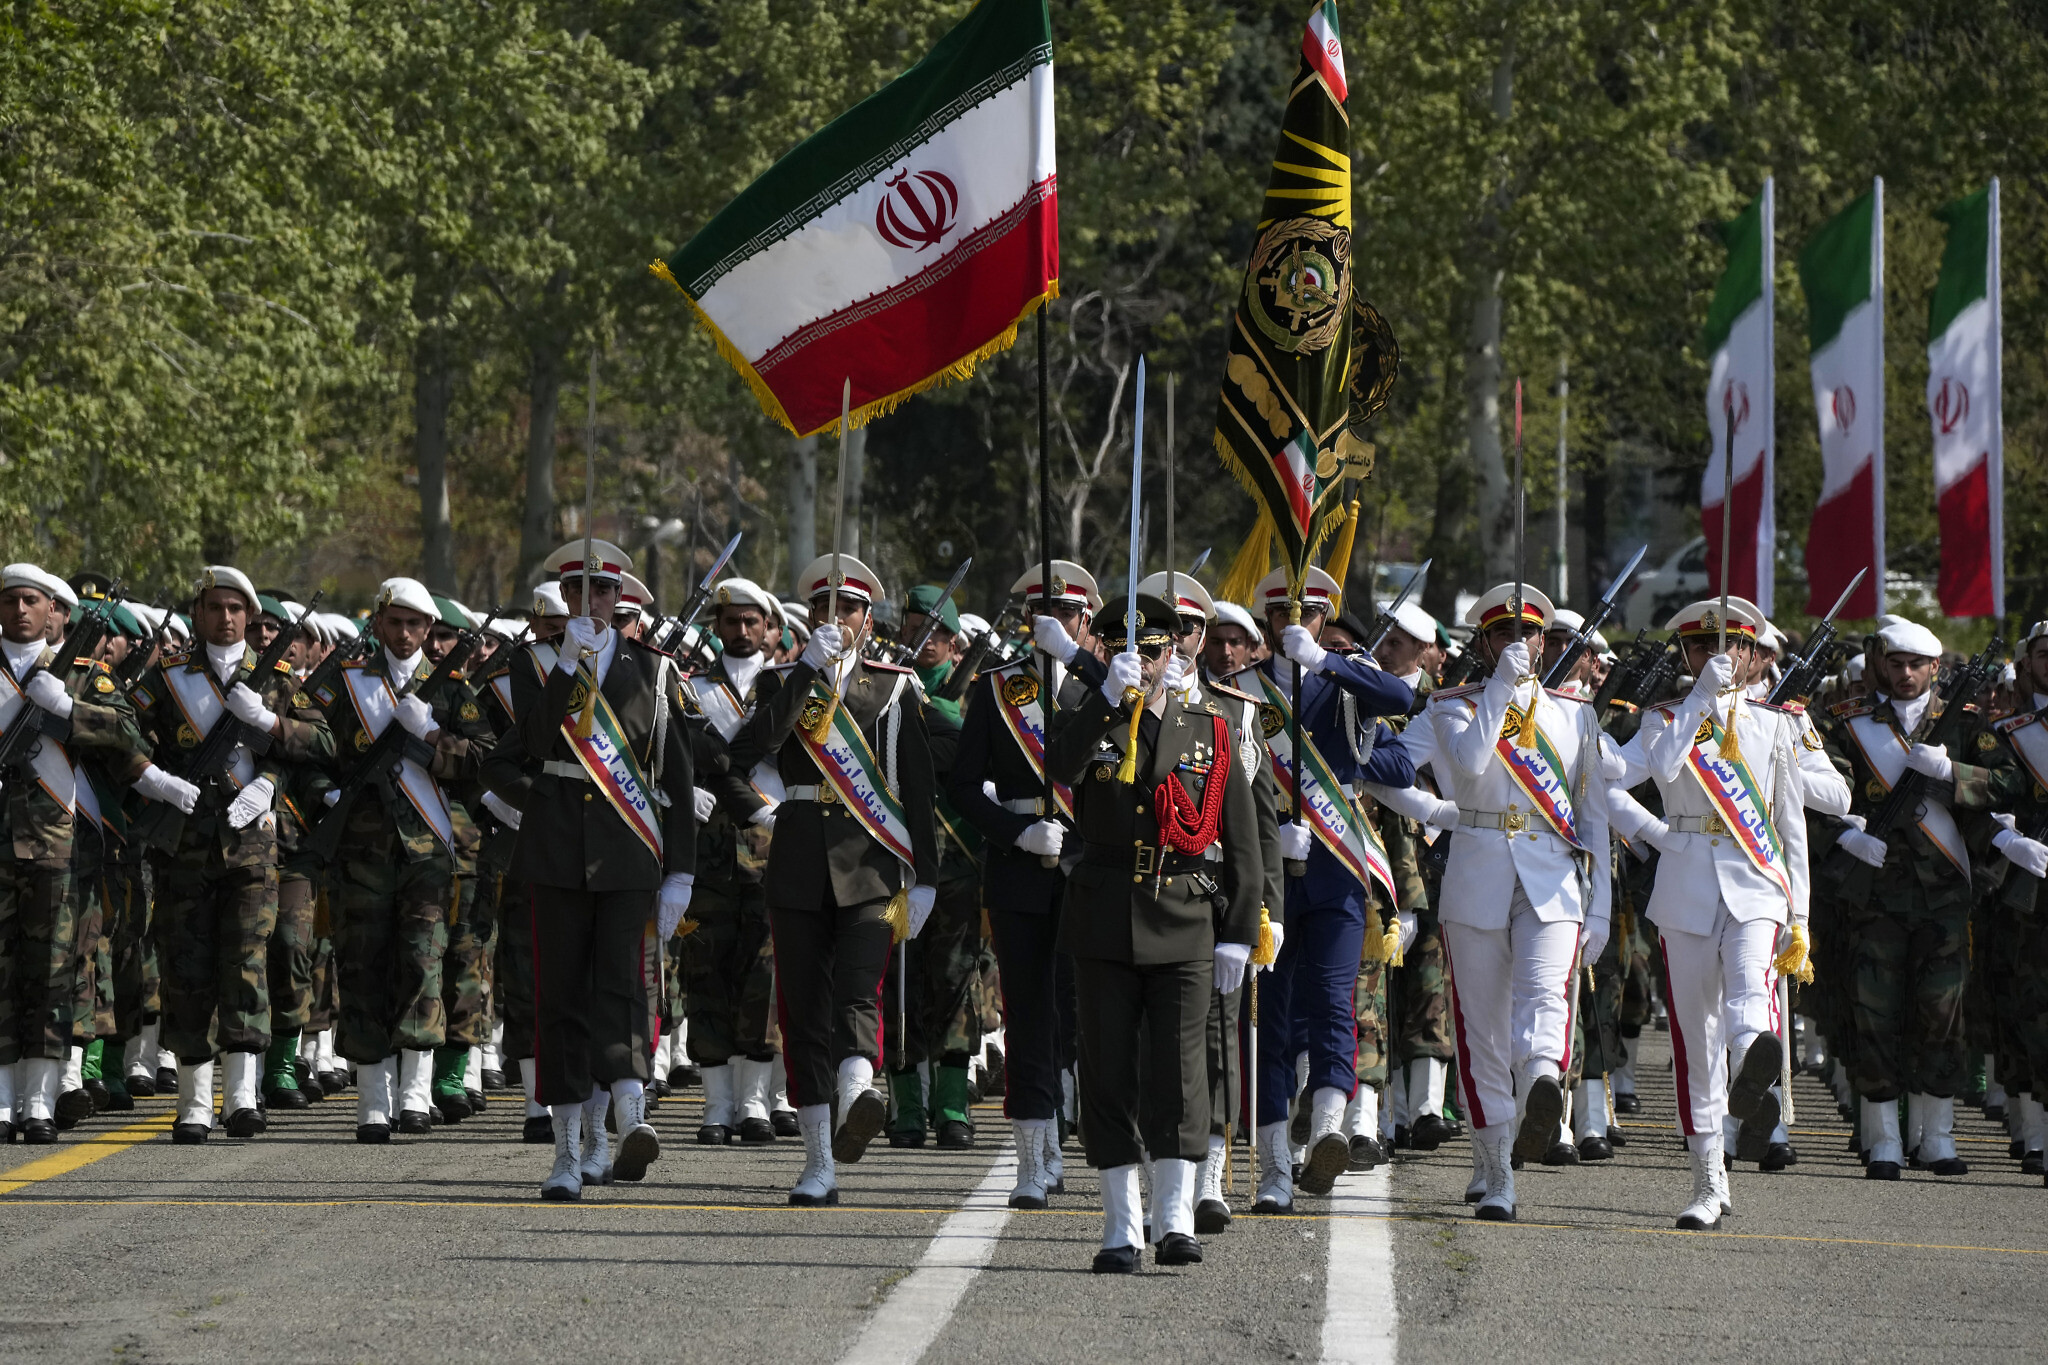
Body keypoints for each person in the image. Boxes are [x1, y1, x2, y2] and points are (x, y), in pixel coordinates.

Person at [1377, 583, 1611, 1221]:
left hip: (1553, 877)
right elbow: (1414, 765)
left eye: (1530, 634)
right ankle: (1497, 1167)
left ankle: (1541, 1085)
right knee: (1480, 1032)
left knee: (1544, 998)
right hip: (1476, 873)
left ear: (1545, 640)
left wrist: (1603, 908)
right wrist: (1430, 808)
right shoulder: (1451, 707)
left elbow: (1593, 819)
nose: (1520, 645)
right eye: (1505, 634)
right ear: (1484, 644)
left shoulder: (1573, 712)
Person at [1045, 593, 1263, 1272]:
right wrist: (1107, 701)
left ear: (1176, 650)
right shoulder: (1091, 716)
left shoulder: (1212, 725)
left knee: (1181, 1071)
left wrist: (1237, 929)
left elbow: (1245, 840)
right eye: (1126, 648)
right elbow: (1058, 767)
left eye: (1154, 647)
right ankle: (1119, 1224)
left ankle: (1173, 1216)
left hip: (1186, 912)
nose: (1143, 659)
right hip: (1105, 912)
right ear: (1108, 652)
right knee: (1108, 1072)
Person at [493, 541, 697, 1200]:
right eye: (578, 592)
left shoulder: (654, 672)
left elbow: (677, 778)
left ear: (621, 598)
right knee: (560, 999)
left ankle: (625, 1119)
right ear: (565, 598)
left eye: (603, 592)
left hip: (627, 851)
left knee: (621, 988)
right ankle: (566, 1149)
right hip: (554, 849)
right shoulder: (534, 662)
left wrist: (682, 873)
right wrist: (567, 665)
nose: (592, 603)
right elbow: (531, 741)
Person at [1604, 600, 1809, 1228]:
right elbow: (1643, 774)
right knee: (1696, 1039)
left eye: (1731, 648)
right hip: (1687, 880)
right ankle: (1707, 1181)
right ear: (1687, 657)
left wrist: (1801, 914)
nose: (1717, 658)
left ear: (1752, 654)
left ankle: (1753, 1069)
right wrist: (1656, 833)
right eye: (1699, 649)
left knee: (1751, 983)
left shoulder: (1777, 725)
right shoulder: (1667, 719)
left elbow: (1790, 823)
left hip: (1757, 880)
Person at [744, 553, 938, 1207]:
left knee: (859, 991)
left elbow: (917, 785)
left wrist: (928, 874)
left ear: (867, 619)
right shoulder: (780, 682)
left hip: (871, 864)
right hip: (798, 863)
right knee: (803, 1013)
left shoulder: (892, 686)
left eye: (849, 609)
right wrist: (804, 671)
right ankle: (819, 1159)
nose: (837, 619)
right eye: (825, 609)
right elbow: (749, 751)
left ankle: (859, 1093)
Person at [127, 565, 332, 1143]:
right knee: (185, 972)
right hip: (184, 846)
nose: (226, 617)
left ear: (252, 617)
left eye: (236, 609)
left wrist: (270, 755)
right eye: (214, 607)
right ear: (198, 614)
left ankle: (242, 1096)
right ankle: (193, 1103)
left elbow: (322, 741)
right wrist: (157, 780)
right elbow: (125, 732)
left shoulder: (279, 678)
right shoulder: (168, 679)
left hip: (251, 851)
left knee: (246, 968)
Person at [1234, 566, 1414, 1211]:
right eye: (1284, 615)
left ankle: (1330, 1132)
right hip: (1270, 877)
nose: (1296, 625)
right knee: (1272, 1021)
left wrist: (1325, 662)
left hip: (1337, 871)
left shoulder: (1344, 685)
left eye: (1308, 615)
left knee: (1336, 1005)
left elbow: (1401, 699)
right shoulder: (1242, 692)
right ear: (1267, 622)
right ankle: (1275, 1167)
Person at [304, 578, 490, 1143]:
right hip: (359, 854)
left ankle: (415, 1092)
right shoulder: (344, 681)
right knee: (362, 966)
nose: (406, 633)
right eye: (396, 622)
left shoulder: (453, 689)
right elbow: (308, 746)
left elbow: (481, 761)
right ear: (378, 623)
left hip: (428, 854)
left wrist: (431, 736)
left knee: (423, 964)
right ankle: (372, 1099)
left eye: (417, 624)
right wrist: (324, 793)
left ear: (430, 630)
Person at [1816, 617, 2001, 1179]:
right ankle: (1883, 1139)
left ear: (1935, 669)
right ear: (1880, 664)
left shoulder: (1965, 725)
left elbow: (2009, 784)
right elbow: (1808, 793)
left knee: (1941, 1015)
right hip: (1872, 896)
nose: (1904, 674)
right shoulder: (1846, 724)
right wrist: (1845, 836)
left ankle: (1936, 1136)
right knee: (1874, 1013)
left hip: (1944, 897)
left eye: (1915, 665)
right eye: (1894, 663)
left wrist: (1953, 774)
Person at [949, 559, 1102, 1207]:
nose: (1050, 624)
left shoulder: (1106, 685)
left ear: (1084, 621)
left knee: (1093, 1016)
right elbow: (961, 786)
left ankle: (1112, 1147)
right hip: (1020, 869)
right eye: (1040, 614)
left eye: (1064, 614)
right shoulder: (995, 688)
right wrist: (1015, 833)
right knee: (1030, 1015)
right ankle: (1035, 1161)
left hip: (1093, 870)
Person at [1138, 569, 1283, 1231]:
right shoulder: (1120, 699)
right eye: (1169, 628)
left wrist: (1265, 909)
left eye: (1191, 628)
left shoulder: (1235, 710)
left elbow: (1259, 821)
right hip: (1138, 887)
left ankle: (1207, 1176)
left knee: (1219, 1036)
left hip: (1213, 885)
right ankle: (1157, 1166)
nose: (1185, 640)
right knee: (1148, 1038)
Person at [0, 565, 149, 1143]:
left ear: (51, 608)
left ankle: (39, 1100)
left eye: (30, 600)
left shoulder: (79, 673)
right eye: (9, 600)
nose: (19, 611)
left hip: (55, 847)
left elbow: (130, 735)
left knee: (51, 974)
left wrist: (66, 710)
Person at [675, 576, 784, 1145]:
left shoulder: (786, 688)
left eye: (751, 621)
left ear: (769, 628)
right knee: (705, 972)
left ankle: (755, 1102)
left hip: (770, 850)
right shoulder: (689, 687)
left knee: (764, 973)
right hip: (709, 850)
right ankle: (716, 1104)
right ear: (714, 627)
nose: (741, 631)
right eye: (730, 621)